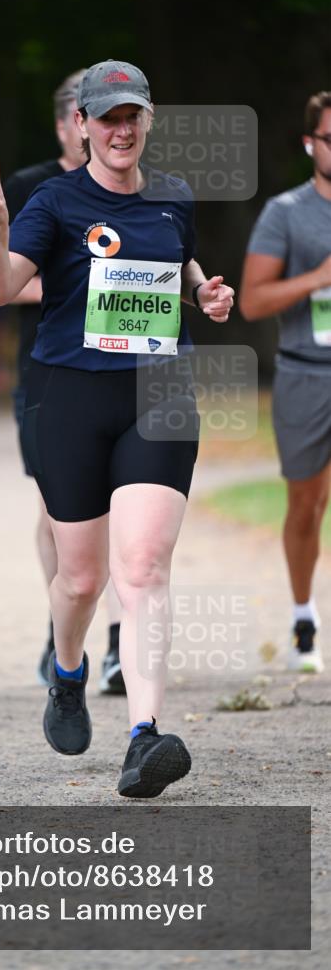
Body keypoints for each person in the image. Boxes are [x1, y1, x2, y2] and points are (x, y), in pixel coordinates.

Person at [0, 59, 234, 798]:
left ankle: (145, 737)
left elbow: (178, 262)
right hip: (70, 397)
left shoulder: (175, 196)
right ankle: (67, 670)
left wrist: (203, 292)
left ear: (147, 121)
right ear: (80, 125)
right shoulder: (52, 202)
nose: (121, 129)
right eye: (107, 116)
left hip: (158, 392)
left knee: (142, 566)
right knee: (79, 579)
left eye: (133, 116)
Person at [4, 69, 125, 693]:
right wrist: (79, 285)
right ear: (66, 123)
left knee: (129, 510)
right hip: (48, 370)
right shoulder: (30, 187)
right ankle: (63, 627)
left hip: (127, 371)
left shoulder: (138, 188)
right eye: (92, 115)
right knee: (60, 511)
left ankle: (117, 646)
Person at [240, 91, 331, 674]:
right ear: (310, 143)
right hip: (307, 372)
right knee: (306, 506)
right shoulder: (286, 212)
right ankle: (303, 613)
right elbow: (251, 301)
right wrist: (319, 276)